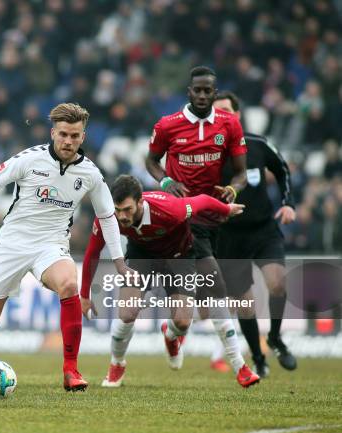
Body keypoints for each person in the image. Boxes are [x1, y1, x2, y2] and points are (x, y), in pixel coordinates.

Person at [0, 103, 133, 392]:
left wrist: (120, 261)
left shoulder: (90, 174)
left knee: (68, 284)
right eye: (63, 134)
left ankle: (70, 370)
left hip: (51, 245)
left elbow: (107, 217)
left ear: (83, 138)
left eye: (75, 136)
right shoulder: (30, 159)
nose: (68, 141)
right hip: (13, 245)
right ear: (53, 133)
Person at [80, 175, 258, 388]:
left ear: (140, 202)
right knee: (127, 313)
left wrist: (226, 209)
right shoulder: (107, 217)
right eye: (118, 210)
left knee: (183, 322)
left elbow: (202, 201)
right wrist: (84, 294)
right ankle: (117, 363)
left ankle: (172, 335)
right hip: (142, 255)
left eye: (127, 209)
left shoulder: (170, 208)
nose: (122, 216)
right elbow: (92, 253)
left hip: (179, 255)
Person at [145, 66, 256, 385]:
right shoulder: (168, 125)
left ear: (214, 91)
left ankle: (172, 331)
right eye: (199, 91)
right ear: (189, 92)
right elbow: (151, 161)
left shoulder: (229, 124)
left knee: (185, 316)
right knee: (218, 289)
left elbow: (240, 173)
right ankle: (240, 367)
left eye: (209, 91)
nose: (204, 96)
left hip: (215, 217)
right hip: (180, 219)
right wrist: (166, 180)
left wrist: (233, 189)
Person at [212, 91, 298, 377]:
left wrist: (287, 203)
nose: (222, 116)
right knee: (244, 304)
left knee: (277, 284)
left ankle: (275, 337)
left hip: (263, 230)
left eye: (226, 111)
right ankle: (258, 357)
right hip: (229, 236)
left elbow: (282, 169)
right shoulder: (208, 152)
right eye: (217, 112)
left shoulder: (258, 144)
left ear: (237, 114)